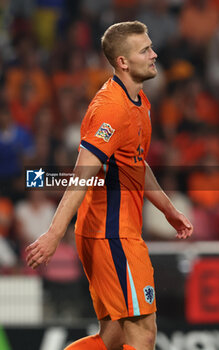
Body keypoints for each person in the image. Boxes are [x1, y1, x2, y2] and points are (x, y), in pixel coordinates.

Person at [26, 21, 193, 350]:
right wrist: (52, 234)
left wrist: (169, 209)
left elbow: (136, 163)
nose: (154, 54)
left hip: (111, 231)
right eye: (145, 50)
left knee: (114, 336)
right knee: (143, 333)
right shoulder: (111, 110)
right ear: (123, 62)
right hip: (111, 234)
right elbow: (82, 174)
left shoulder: (139, 101)